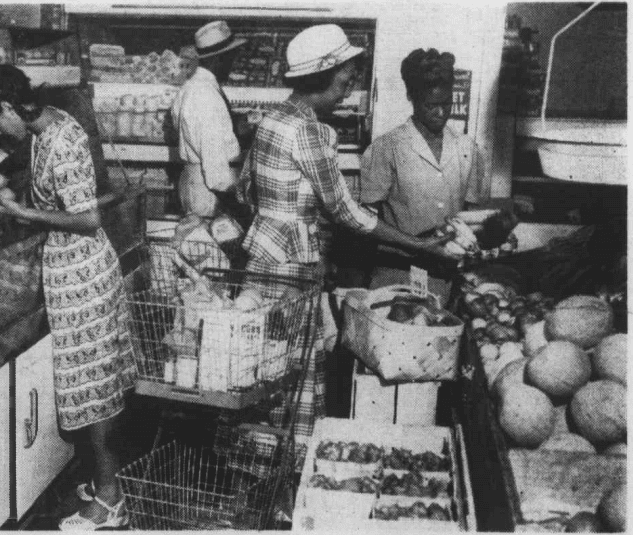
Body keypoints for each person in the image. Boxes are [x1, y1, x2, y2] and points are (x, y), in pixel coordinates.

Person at [237, 25, 455, 461]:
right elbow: (347, 213)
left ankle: (257, 471)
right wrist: (422, 247)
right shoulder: (311, 132)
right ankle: (293, 478)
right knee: (299, 376)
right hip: (293, 268)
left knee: (262, 368)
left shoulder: (273, 120)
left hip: (261, 257)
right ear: (320, 78)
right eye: (343, 80)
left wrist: (290, 217)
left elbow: (247, 191)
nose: (346, 90)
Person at [0, 65, 135, 531]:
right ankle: (103, 480)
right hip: (69, 273)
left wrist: (22, 211)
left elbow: (87, 219)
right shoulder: (47, 123)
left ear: (7, 107)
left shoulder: (61, 139)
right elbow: (60, 196)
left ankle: (110, 501)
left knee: (90, 392)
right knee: (88, 388)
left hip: (82, 276)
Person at [358, 48, 491, 301]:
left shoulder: (468, 149)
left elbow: (472, 217)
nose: (441, 113)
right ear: (412, 97)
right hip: (395, 274)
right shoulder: (386, 148)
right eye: (431, 106)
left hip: (447, 277)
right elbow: (365, 220)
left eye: (446, 104)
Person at [171, 20, 246, 220]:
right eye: (231, 56)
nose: (234, 62)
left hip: (198, 183)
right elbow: (215, 169)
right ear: (220, 58)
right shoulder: (205, 94)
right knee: (211, 248)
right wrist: (240, 207)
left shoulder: (193, 86)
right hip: (210, 192)